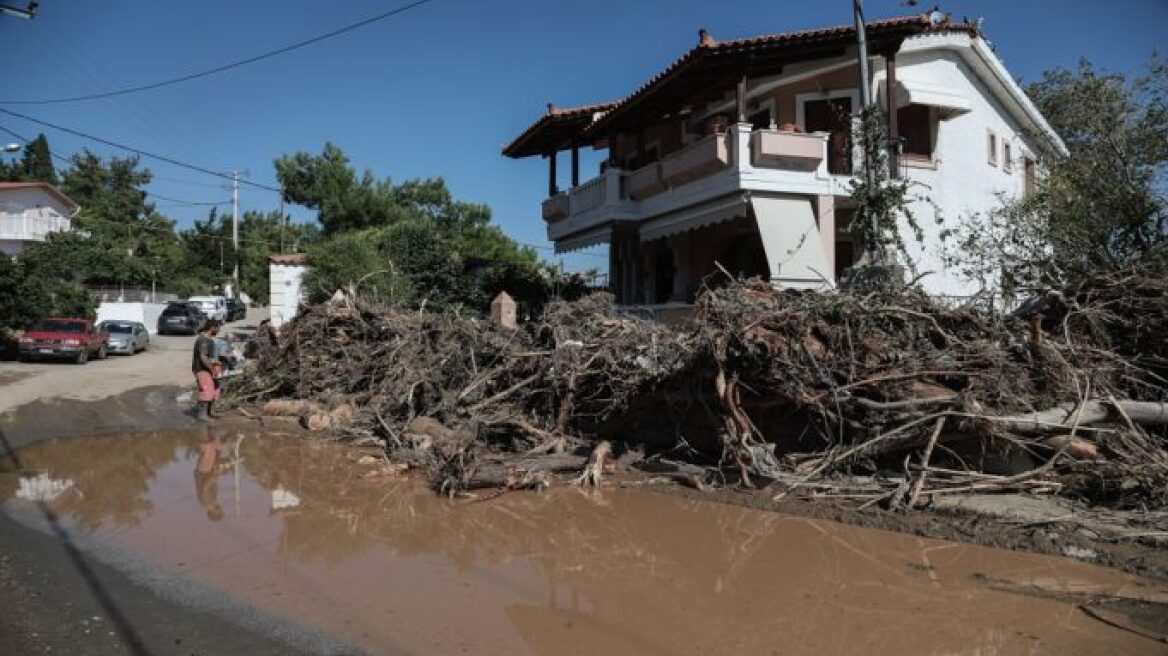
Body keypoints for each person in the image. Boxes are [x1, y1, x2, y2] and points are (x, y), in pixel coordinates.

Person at [192, 319, 222, 421]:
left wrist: (216, 364)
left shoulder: (208, 339)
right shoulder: (203, 340)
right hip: (202, 369)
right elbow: (203, 357)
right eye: (218, 328)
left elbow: (209, 357)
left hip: (208, 369)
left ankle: (208, 413)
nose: (218, 330)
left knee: (215, 390)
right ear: (212, 327)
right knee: (206, 391)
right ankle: (202, 415)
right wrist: (212, 369)